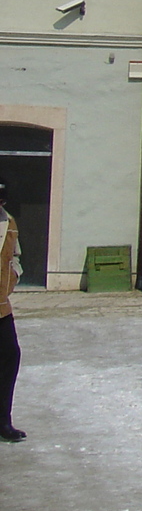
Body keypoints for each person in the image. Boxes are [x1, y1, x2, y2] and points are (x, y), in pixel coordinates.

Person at [0, 176, 23, 442]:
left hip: (1, 307)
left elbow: (15, 256)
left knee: (9, 357)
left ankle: (3, 421)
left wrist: (14, 276)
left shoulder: (9, 222)